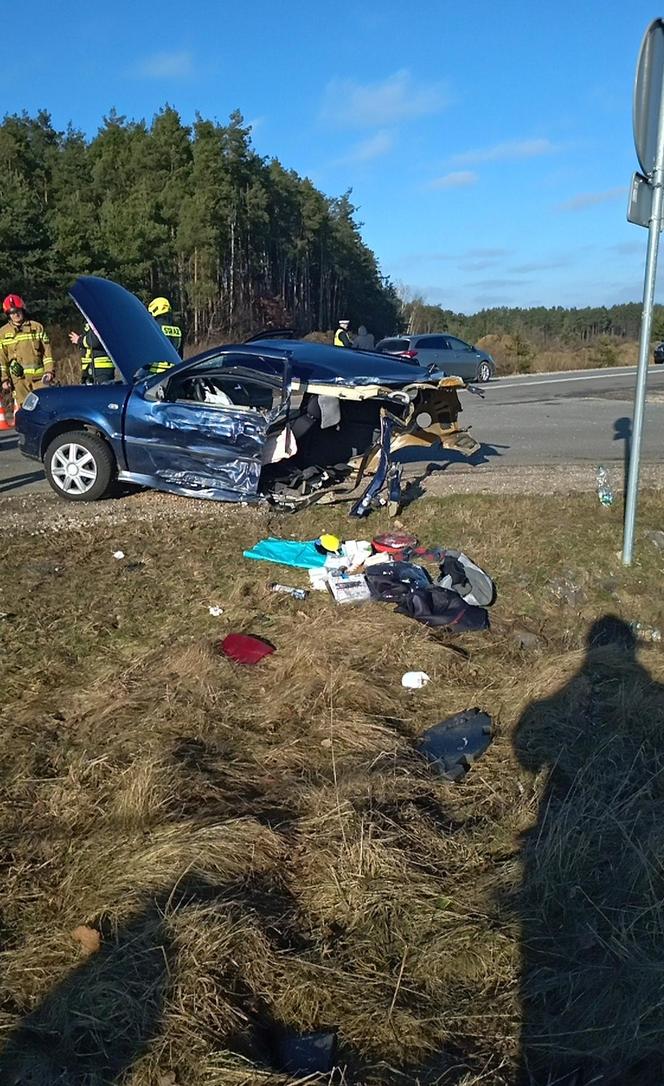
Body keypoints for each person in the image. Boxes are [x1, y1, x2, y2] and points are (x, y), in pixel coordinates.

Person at [0, 294, 55, 407]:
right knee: (24, 409)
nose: (15, 314)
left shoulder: (36, 327)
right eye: (12, 312)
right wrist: (5, 379)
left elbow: (47, 352)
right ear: (8, 314)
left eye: (17, 311)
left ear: (23, 310)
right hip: (19, 380)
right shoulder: (3, 333)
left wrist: (49, 371)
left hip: (40, 379)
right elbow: (2, 358)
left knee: (44, 406)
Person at [148, 297, 182, 369]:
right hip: (174, 369)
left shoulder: (154, 327)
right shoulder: (177, 329)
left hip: (155, 371)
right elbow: (180, 353)